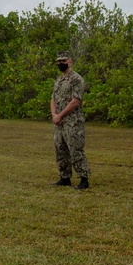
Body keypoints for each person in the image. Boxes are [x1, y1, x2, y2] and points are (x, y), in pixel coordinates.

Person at [50, 51, 91, 190]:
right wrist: (54, 115)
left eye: (63, 61)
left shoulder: (76, 79)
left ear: (70, 61)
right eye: (59, 61)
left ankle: (84, 178)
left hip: (73, 121)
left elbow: (75, 101)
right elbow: (53, 99)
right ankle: (64, 177)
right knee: (60, 149)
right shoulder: (58, 81)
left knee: (75, 149)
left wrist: (60, 115)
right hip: (59, 122)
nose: (61, 63)